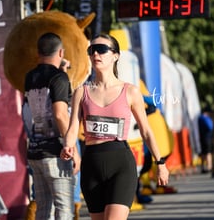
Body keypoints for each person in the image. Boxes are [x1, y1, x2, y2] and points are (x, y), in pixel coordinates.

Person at [61, 33, 169, 220]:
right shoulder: (81, 92)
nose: (96, 54)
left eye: (102, 49)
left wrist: (160, 163)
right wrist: (68, 146)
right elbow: (72, 129)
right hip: (91, 165)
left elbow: (146, 131)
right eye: (92, 50)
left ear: (115, 56)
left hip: (121, 164)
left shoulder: (130, 91)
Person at [23, 32, 79, 220]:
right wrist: (72, 148)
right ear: (61, 52)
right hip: (57, 153)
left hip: (35, 151)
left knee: (43, 209)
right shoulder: (59, 78)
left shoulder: (30, 77)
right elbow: (60, 114)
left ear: (38, 52)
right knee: (64, 209)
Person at [198, 105, 213, 174]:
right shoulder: (205, 118)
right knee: (208, 153)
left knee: (203, 153)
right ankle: (209, 167)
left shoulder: (199, 118)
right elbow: (210, 127)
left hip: (201, 137)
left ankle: (202, 167)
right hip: (207, 137)